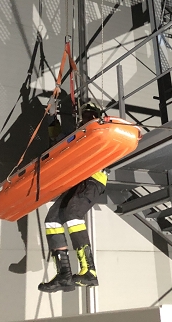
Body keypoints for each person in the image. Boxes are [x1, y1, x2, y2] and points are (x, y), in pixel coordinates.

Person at [38, 101, 106, 293]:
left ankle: (89, 271)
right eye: (85, 115)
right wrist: (52, 119)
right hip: (76, 181)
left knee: (73, 213)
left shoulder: (98, 131)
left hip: (93, 178)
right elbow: (58, 141)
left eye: (91, 114)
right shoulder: (77, 135)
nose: (88, 117)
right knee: (52, 219)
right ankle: (64, 274)